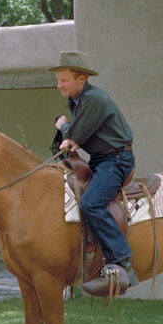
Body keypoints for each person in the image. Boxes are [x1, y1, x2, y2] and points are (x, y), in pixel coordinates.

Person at [50, 51, 139, 296]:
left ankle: (124, 264)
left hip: (116, 160)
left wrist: (63, 126)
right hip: (101, 159)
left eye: (63, 80)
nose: (59, 85)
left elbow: (76, 135)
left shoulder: (93, 99)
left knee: (91, 203)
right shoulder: (76, 99)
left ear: (81, 78)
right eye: (57, 80)